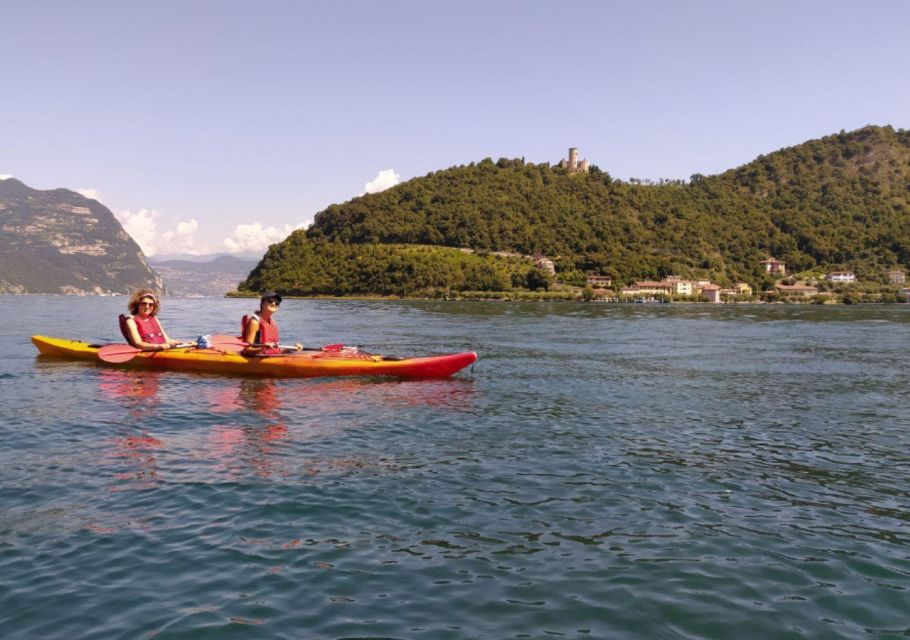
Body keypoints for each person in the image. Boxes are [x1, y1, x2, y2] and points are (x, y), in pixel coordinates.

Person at [120, 289, 185, 351]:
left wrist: (184, 343)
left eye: (151, 304)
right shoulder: (131, 321)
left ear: (154, 307)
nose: (147, 307)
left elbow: (167, 340)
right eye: (144, 304)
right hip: (148, 352)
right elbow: (138, 344)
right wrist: (158, 346)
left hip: (161, 350)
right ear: (137, 305)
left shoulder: (155, 319)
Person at [241, 291, 302, 355]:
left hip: (271, 356)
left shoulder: (272, 322)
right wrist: (262, 349)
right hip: (258, 359)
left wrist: (293, 348)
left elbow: (276, 349)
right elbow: (246, 350)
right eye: (270, 301)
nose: (274, 304)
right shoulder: (254, 322)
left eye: (277, 303)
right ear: (262, 303)